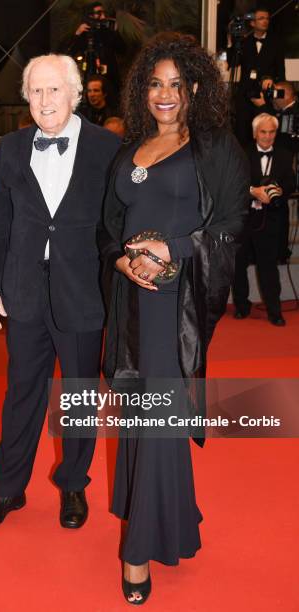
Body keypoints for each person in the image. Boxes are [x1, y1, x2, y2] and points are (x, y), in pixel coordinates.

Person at [100, 32, 249, 604]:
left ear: (195, 90)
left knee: (158, 415)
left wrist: (173, 250)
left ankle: (138, 552)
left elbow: (232, 222)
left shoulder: (213, 146)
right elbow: (109, 224)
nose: (166, 94)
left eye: (177, 85)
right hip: (130, 298)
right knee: (138, 411)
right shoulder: (130, 147)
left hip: (174, 302)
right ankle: (174, 516)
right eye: (156, 84)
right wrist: (120, 257)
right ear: (143, 91)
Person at [0, 54, 120, 532]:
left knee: (77, 395)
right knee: (21, 395)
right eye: (36, 91)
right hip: (24, 290)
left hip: (82, 292)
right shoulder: (11, 148)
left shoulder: (107, 148)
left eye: (55, 90)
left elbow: (116, 224)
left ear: (76, 94)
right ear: (26, 98)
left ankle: (73, 482)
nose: (45, 99)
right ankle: (7, 490)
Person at [232, 113, 294, 326]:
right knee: (238, 264)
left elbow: (291, 184)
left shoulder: (285, 155)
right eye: (263, 132)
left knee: (268, 267)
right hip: (243, 218)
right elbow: (233, 184)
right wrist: (253, 191)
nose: (267, 136)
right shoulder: (241, 153)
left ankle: (274, 311)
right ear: (255, 132)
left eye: (271, 132)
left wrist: (280, 190)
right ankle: (241, 306)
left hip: (271, 220)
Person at [227, 7, 285, 145]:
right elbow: (233, 63)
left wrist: (273, 81)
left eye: (267, 18)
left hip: (266, 98)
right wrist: (231, 41)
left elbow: (281, 72)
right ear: (252, 23)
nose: (265, 21)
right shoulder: (244, 42)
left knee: (264, 134)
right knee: (242, 135)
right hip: (244, 97)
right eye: (261, 18)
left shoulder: (275, 43)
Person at [66, 2, 124, 100]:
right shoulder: (85, 33)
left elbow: (122, 50)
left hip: (110, 78)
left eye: (103, 13)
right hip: (90, 75)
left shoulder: (108, 32)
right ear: (90, 15)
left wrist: (116, 33)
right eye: (99, 13)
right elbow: (69, 53)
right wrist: (77, 34)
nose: (103, 16)